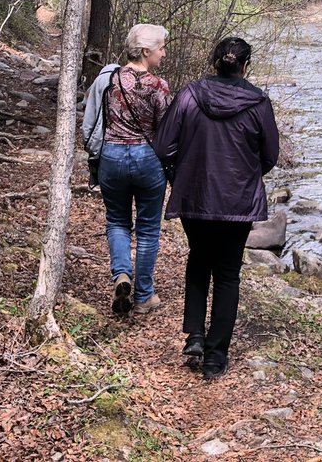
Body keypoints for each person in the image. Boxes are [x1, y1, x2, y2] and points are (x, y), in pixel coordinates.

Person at [154, 36, 280, 379]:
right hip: (237, 201)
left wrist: (183, 170)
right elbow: (270, 156)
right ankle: (215, 358)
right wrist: (245, 173)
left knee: (198, 258)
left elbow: (164, 146)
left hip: (195, 195)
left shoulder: (189, 95)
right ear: (245, 65)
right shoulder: (259, 102)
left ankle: (195, 335)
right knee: (227, 274)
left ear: (214, 62)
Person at [83, 23, 171, 316]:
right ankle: (144, 295)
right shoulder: (158, 87)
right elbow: (167, 130)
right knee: (147, 230)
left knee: (117, 221)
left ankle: (122, 274)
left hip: (111, 157)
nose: (164, 53)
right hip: (147, 160)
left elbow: (92, 117)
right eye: (161, 48)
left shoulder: (108, 80)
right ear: (146, 51)